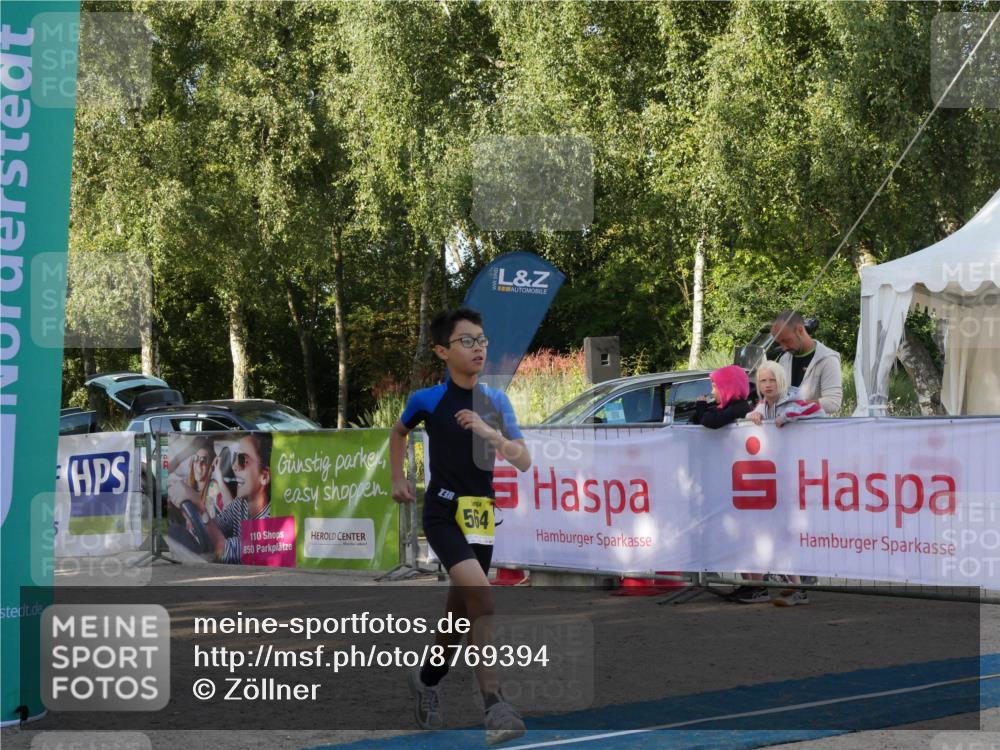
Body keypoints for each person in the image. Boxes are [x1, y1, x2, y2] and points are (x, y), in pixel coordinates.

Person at [390, 307, 532, 745]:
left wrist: (491, 435)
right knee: (483, 600)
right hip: (443, 513)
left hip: (481, 516)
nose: (478, 348)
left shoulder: (497, 402)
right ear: (442, 351)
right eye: (467, 341)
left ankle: (427, 680)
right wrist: (398, 478)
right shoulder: (427, 400)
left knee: (459, 616)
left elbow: (524, 461)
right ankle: (496, 706)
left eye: (482, 340)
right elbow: (398, 434)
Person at [206, 432, 271, 565]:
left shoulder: (270, 520)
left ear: (264, 477)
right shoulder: (240, 504)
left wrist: (199, 509)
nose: (234, 466)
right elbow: (218, 524)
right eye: (235, 458)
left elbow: (223, 550)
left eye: (242, 460)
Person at [770, 310, 842, 415]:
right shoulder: (784, 359)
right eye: (780, 343)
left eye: (786, 340)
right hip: (786, 428)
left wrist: (795, 407)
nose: (784, 347)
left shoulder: (827, 359)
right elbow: (779, 397)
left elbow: (833, 403)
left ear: (800, 330)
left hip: (815, 429)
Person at [749, 360, 826, 428]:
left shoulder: (793, 403)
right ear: (758, 384)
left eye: (773, 380)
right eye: (763, 380)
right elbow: (746, 419)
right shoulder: (761, 406)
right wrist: (754, 415)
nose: (768, 385)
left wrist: (787, 415)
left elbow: (818, 411)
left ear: (782, 381)